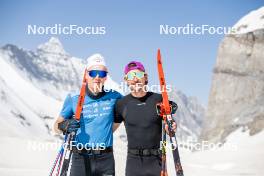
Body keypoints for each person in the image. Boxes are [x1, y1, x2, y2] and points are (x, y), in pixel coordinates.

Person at [53, 54, 122, 176]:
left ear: (106, 77)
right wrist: (64, 125)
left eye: (101, 74)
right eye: (93, 73)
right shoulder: (74, 98)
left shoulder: (115, 96)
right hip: (80, 158)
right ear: (86, 75)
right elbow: (55, 127)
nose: (97, 77)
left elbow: (131, 110)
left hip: (106, 160)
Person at [114, 61, 178, 176]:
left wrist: (172, 126)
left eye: (138, 75)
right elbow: (108, 130)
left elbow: (169, 126)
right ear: (126, 80)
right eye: (130, 76)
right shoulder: (121, 104)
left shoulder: (159, 99)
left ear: (145, 77)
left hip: (157, 162)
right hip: (133, 163)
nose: (135, 79)